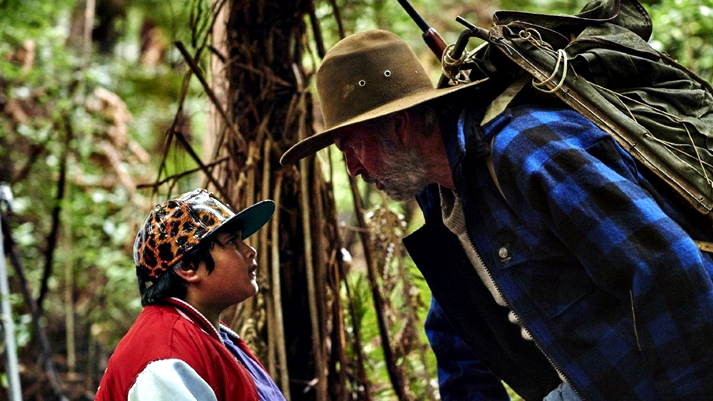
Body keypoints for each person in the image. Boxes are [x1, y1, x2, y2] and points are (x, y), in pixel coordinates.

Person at [279, 26, 713, 401]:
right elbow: (458, 333)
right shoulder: (442, 198)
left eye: (352, 147)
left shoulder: (526, 151)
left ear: (400, 125)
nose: (353, 169)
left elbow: (665, 265)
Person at [95, 189, 286, 401]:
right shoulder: (165, 358)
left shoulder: (210, 336)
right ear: (188, 266)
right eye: (232, 241)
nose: (250, 250)